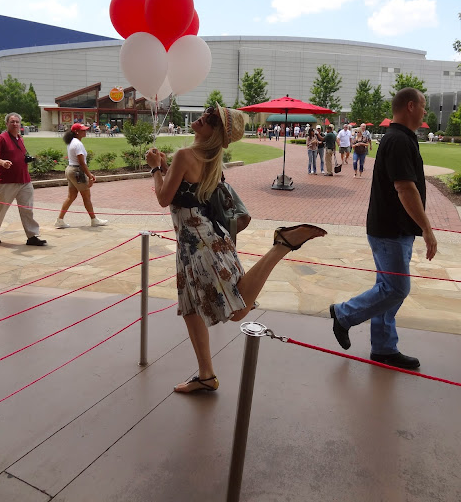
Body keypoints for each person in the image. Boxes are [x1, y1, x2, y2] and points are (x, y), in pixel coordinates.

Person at [146, 104, 327, 393]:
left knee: (238, 308)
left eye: (211, 118)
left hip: (199, 243)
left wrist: (155, 168)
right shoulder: (208, 160)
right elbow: (184, 191)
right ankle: (206, 375)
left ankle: (281, 245)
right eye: (208, 112)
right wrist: (166, 169)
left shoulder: (185, 155)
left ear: (215, 132)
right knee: (191, 308)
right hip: (200, 241)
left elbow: (163, 197)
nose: (203, 116)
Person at [329, 88, 437, 369]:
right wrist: (427, 229)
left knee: (387, 288)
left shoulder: (399, 138)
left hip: (392, 229)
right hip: (390, 231)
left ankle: (384, 348)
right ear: (411, 106)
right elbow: (405, 188)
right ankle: (344, 314)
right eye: (423, 106)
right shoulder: (399, 140)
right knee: (396, 288)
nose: (425, 111)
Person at [0, 112, 47, 246]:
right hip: (7, 181)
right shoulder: (1, 138)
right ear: (7, 124)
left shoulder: (20, 138)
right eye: (12, 122)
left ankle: (32, 236)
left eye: (17, 122)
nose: (15, 124)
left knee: (27, 209)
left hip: (24, 180)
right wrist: (2, 162)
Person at [55, 123, 108, 229]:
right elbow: (82, 163)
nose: (85, 131)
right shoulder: (78, 144)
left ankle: (60, 220)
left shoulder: (72, 142)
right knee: (86, 196)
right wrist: (89, 175)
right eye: (83, 130)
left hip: (70, 169)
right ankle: (94, 220)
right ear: (76, 132)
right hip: (77, 171)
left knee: (71, 196)